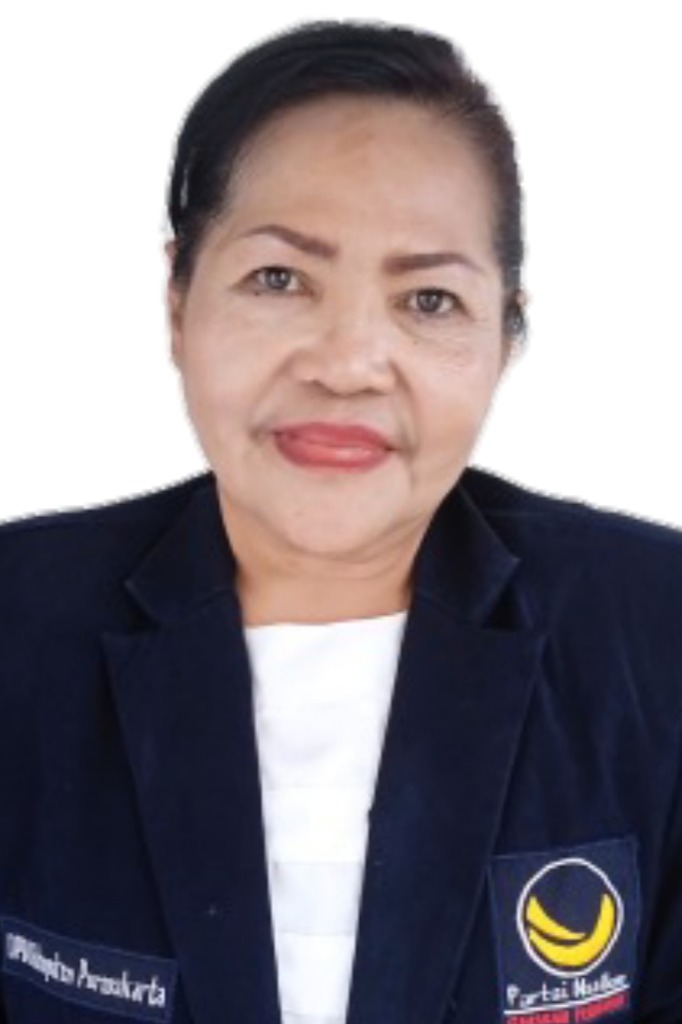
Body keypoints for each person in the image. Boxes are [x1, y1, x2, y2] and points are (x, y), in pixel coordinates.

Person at [1, 17, 681, 1024]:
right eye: (279, 279)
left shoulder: (656, 631)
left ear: (505, 335)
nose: (348, 362)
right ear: (178, 303)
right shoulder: (18, 623)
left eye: (430, 299)